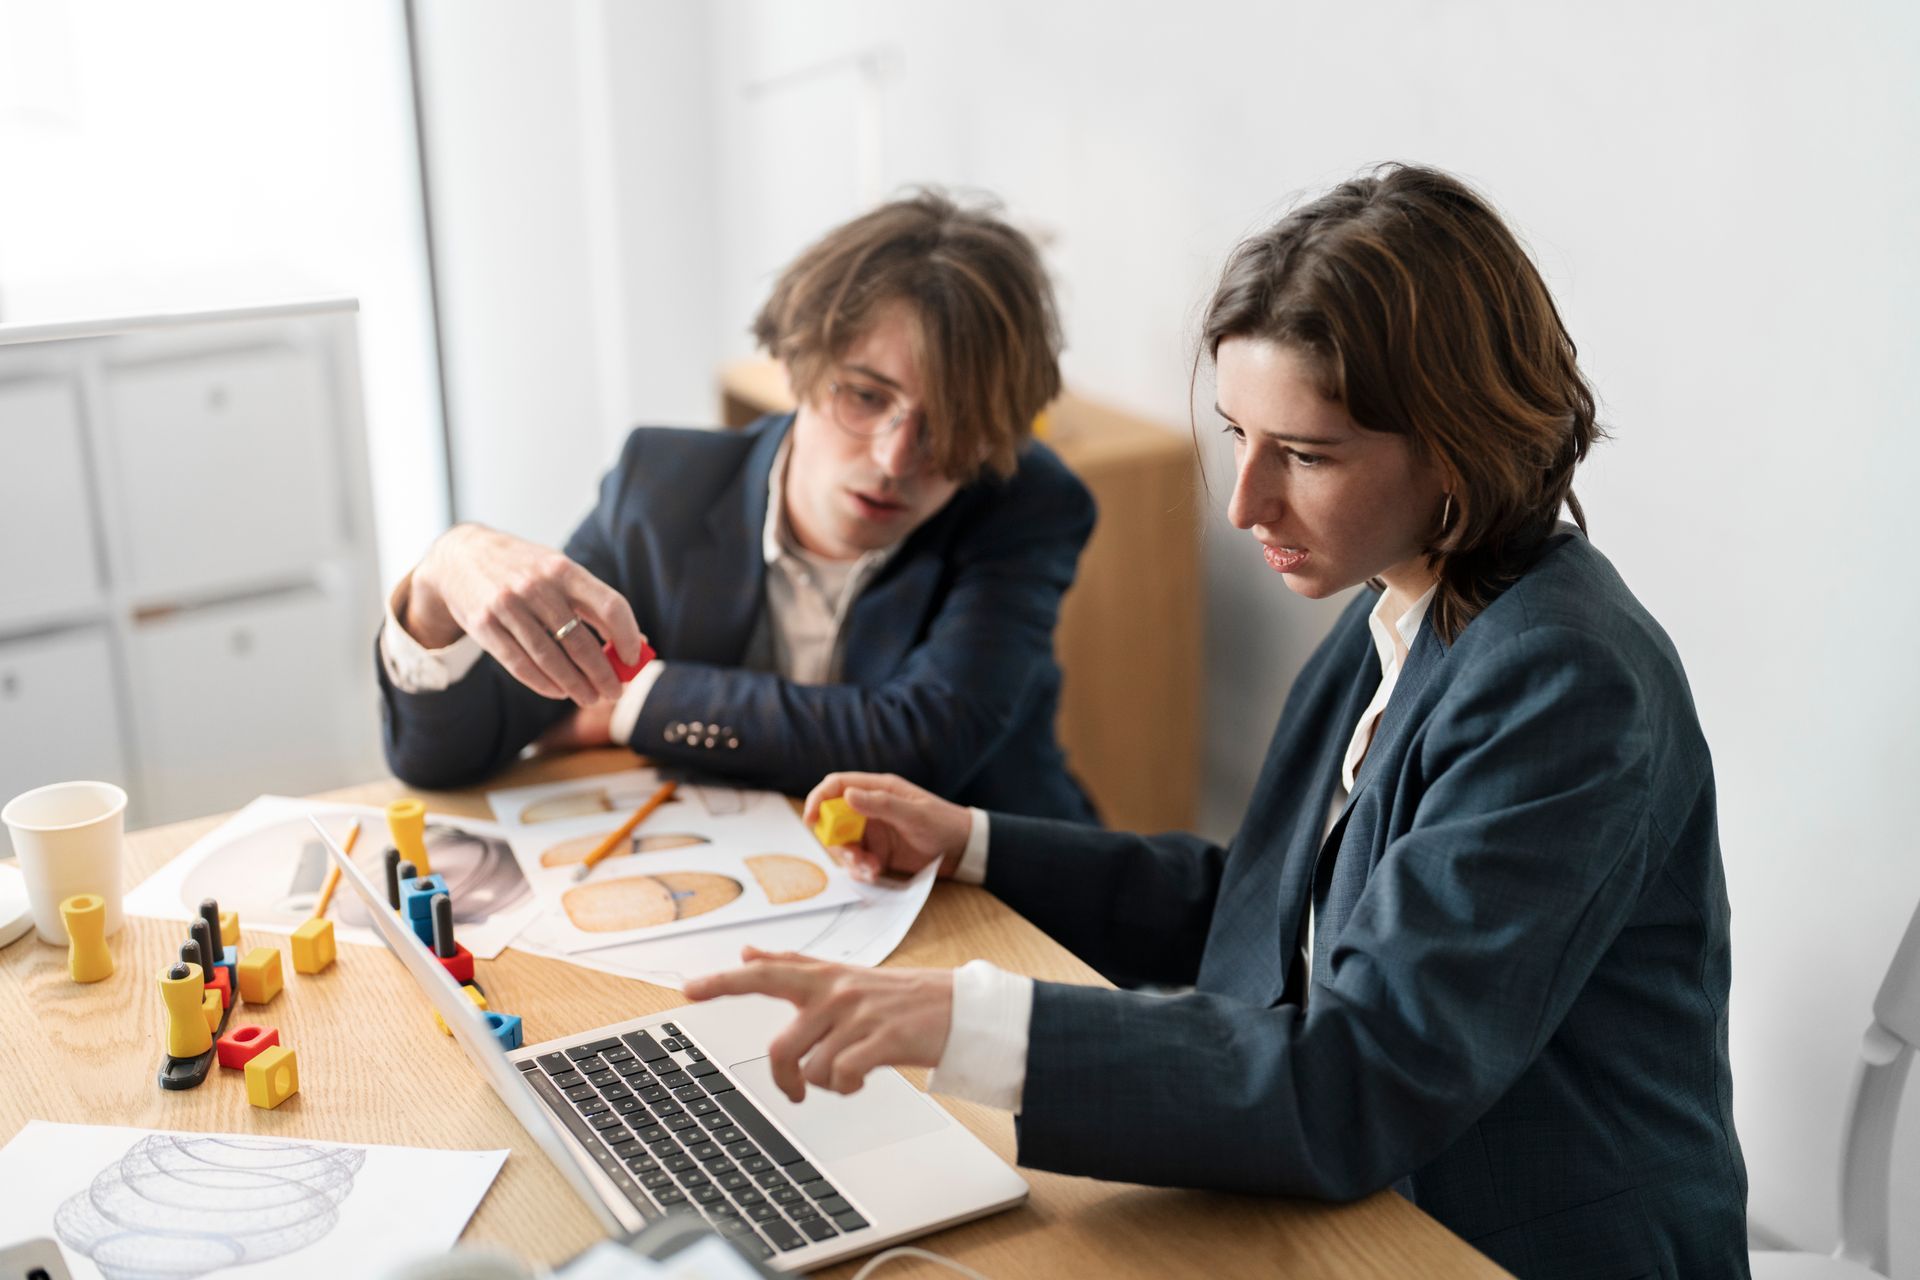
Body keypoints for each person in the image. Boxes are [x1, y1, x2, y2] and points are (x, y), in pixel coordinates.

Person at [687, 165, 1750, 1277]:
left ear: (1455, 442)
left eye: (1304, 454)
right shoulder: (1405, 597)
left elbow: (1363, 1075)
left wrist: (967, 1020)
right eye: (1240, 433)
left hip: (1497, 1245)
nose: (1245, 502)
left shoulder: (1567, 682)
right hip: (1369, 1201)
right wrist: (975, 842)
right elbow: (1262, 914)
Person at [377, 191, 1099, 821]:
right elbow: (442, 760)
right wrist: (442, 580)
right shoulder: (664, 491)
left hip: (996, 906)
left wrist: (640, 703)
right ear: (797, 363)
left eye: (952, 418)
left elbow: (918, 749)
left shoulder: (1027, 506)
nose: (895, 458)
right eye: (865, 396)